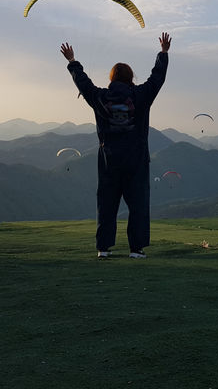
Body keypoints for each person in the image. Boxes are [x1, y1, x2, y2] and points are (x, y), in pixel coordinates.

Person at [60, 33, 171, 259]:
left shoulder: (101, 97)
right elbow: (156, 79)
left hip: (109, 160)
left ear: (112, 78)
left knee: (108, 204)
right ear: (130, 77)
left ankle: (103, 249)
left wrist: (72, 62)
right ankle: (136, 249)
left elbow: (84, 83)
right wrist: (163, 53)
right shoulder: (141, 95)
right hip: (136, 161)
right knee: (138, 204)